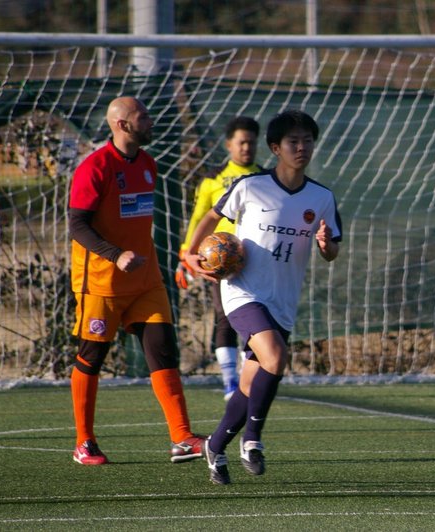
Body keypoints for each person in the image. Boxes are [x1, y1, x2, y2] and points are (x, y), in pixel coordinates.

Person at [184, 110, 342, 484]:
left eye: (307, 141)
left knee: (250, 382)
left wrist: (324, 245)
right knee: (276, 356)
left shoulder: (322, 197)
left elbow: (332, 249)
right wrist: (191, 253)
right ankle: (252, 440)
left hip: (282, 301)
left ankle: (216, 444)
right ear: (275, 148)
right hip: (242, 290)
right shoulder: (250, 186)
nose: (301, 147)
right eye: (293, 142)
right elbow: (211, 216)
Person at [68, 96, 205, 465]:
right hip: (101, 283)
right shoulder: (94, 168)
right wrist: (116, 255)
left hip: (146, 280)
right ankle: (84, 443)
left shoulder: (147, 164)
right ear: (122, 125)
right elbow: (77, 224)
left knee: (162, 349)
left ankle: (181, 438)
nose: (150, 120)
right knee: (92, 356)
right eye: (142, 116)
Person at [175, 116, 262, 400]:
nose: (247, 147)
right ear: (229, 145)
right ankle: (229, 382)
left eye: (251, 142)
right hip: (220, 260)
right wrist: (187, 254)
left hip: (255, 257)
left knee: (257, 316)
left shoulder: (263, 177)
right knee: (224, 316)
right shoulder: (212, 178)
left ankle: (249, 375)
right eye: (241, 142)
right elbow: (201, 216)